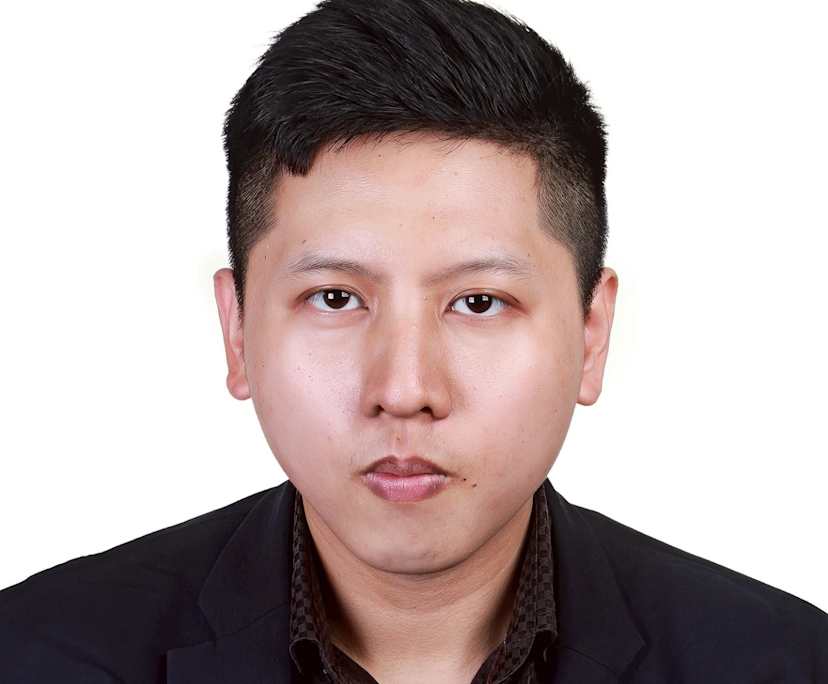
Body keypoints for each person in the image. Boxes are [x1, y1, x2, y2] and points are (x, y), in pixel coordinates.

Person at [1, 0, 826, 681]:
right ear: (238, 329)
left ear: (591, 332)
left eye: (478, 302)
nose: (403, 389)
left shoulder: (784, 664)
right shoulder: (39, 654)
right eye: (335, 298)